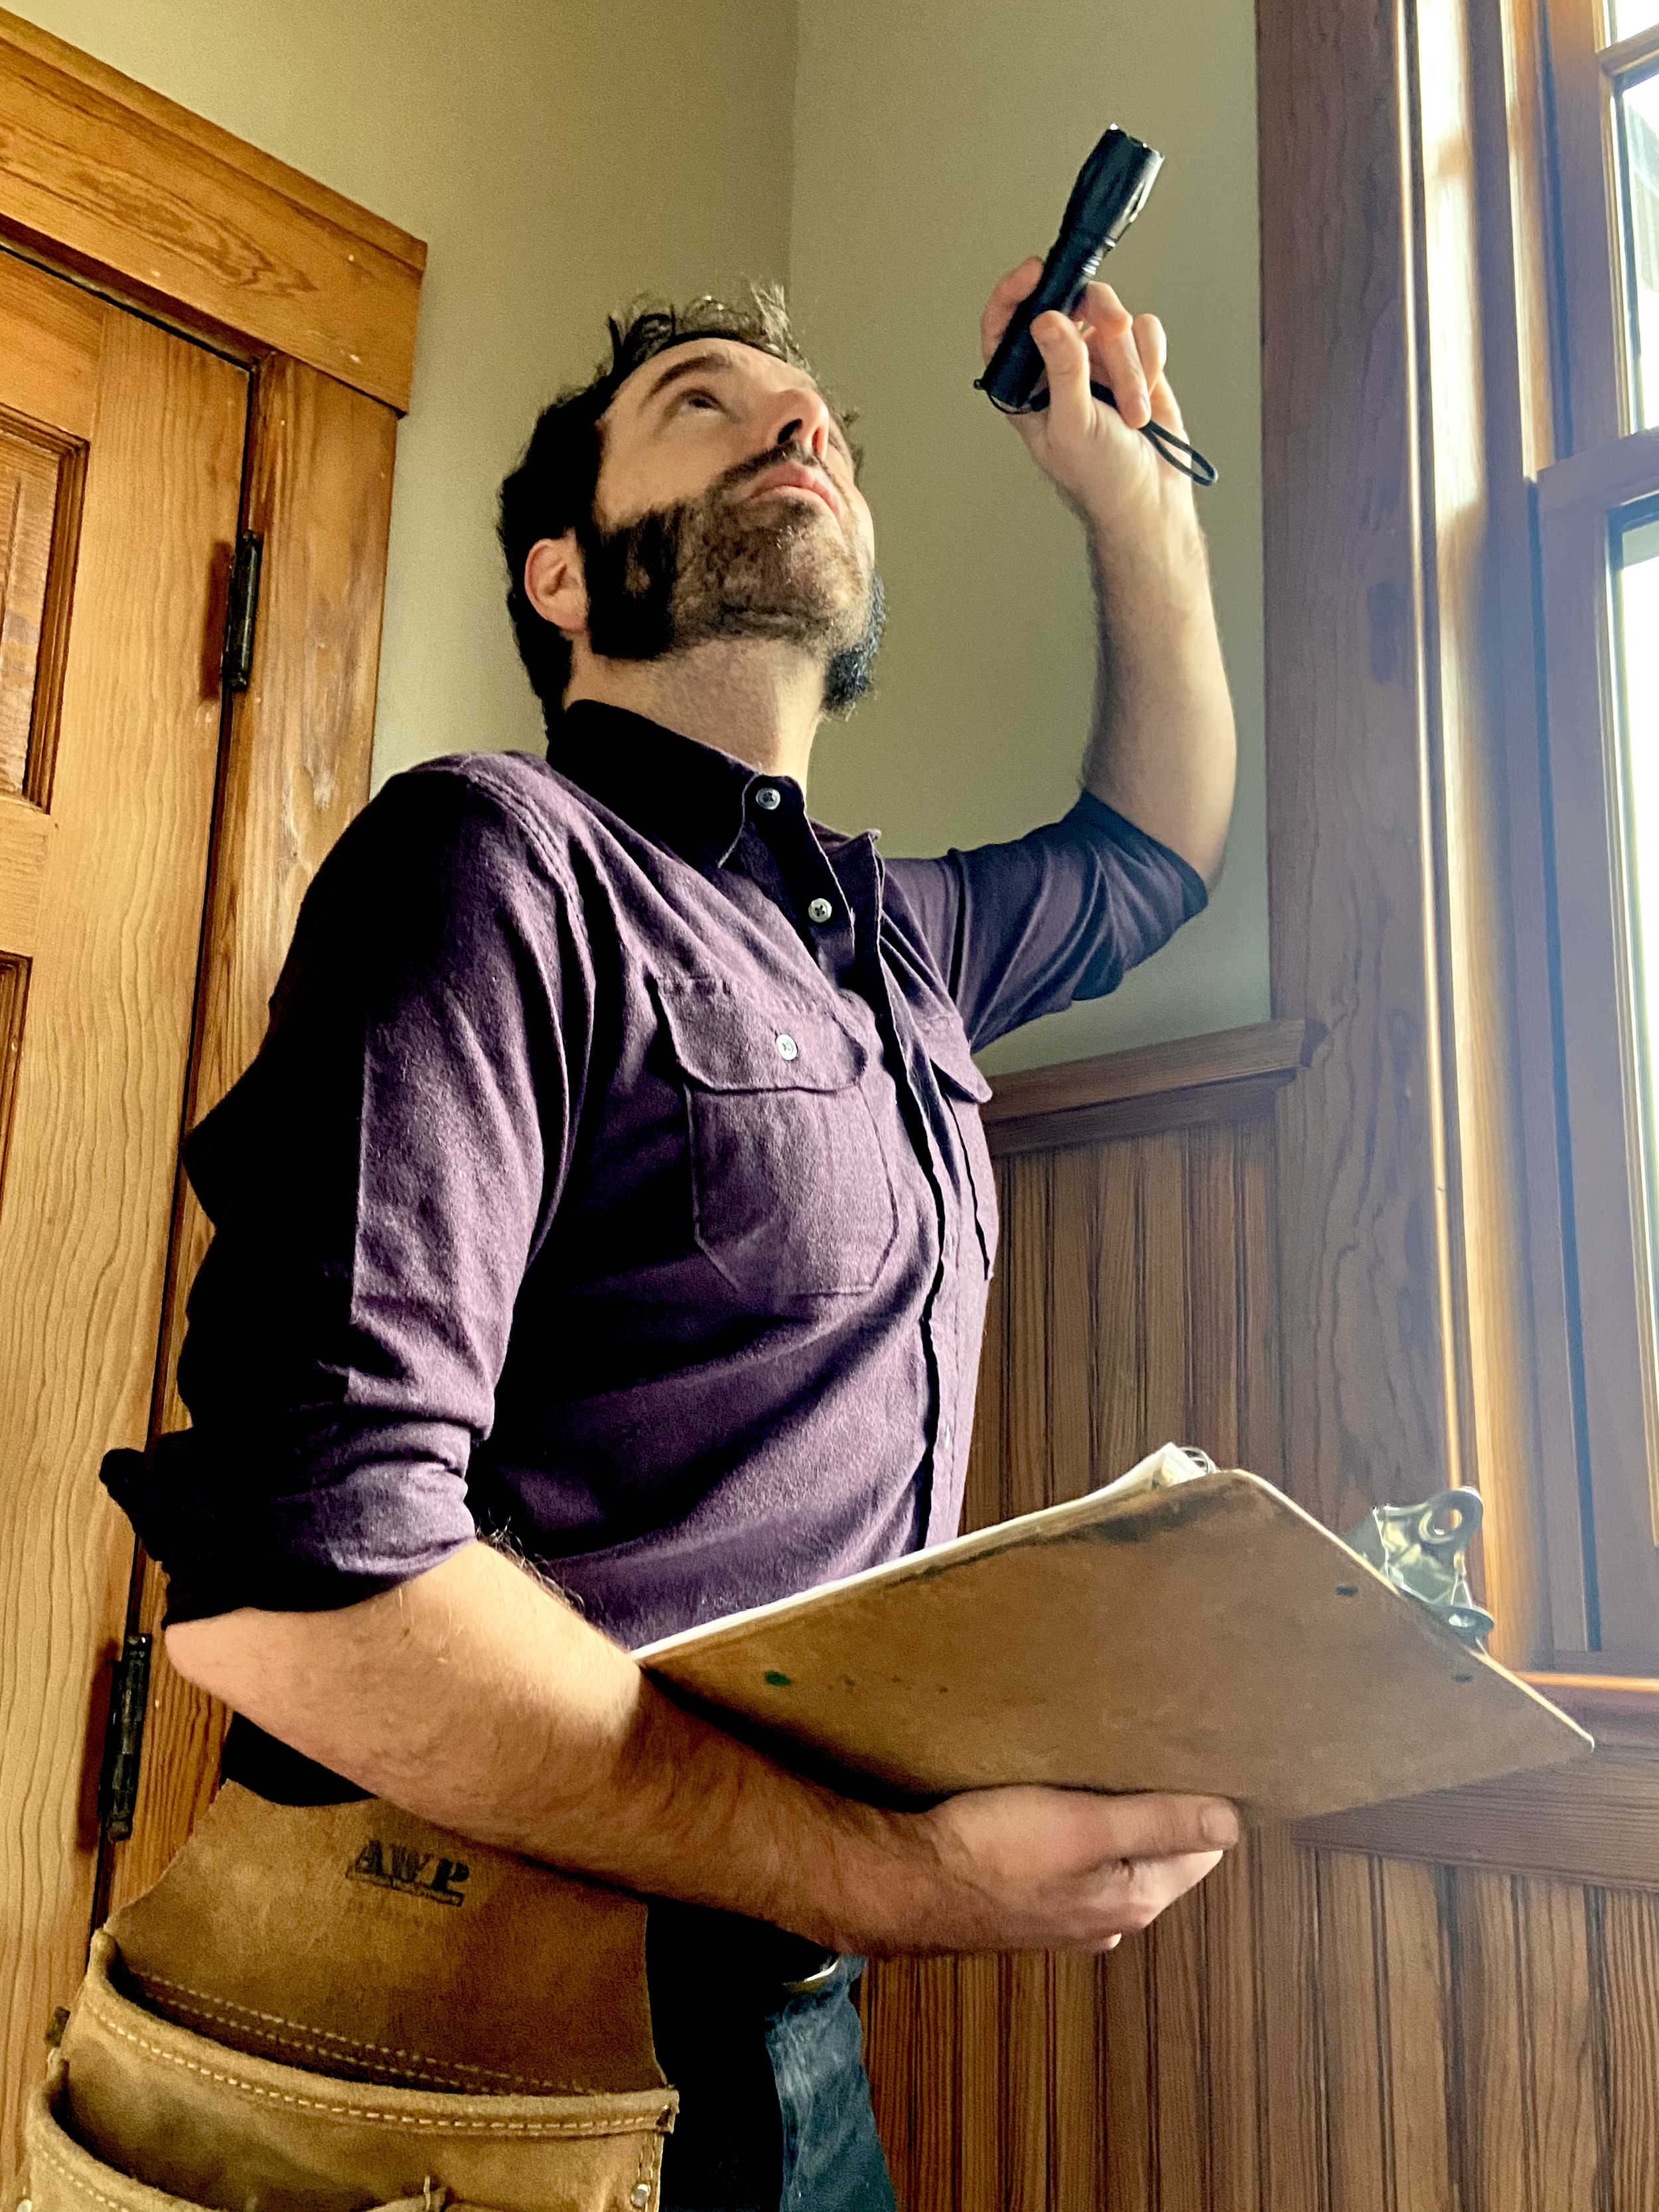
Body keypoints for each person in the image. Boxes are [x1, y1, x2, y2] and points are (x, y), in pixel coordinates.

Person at [122, 259, 1241, 2210]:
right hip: (442, 2052)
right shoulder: (487, 856)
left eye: (821, 419)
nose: (800, 425)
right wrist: (908, 1876)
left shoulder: (905, 948)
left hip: (783, 2040)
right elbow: (312, 1592)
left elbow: (1150, 857)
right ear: (565, 571)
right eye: (709, 403)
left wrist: (1137, 506)